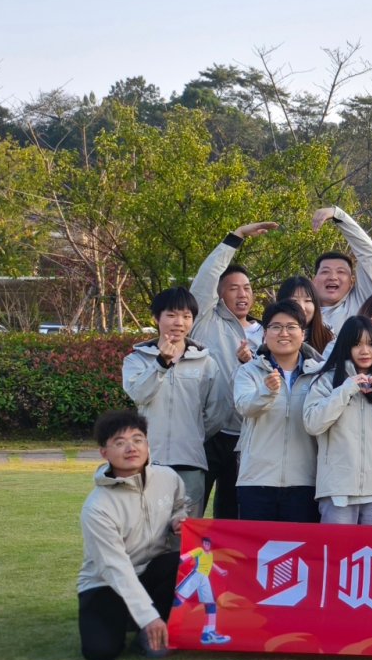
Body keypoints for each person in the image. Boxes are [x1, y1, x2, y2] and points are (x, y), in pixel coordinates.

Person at [77, 410, 186, 660]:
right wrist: (149, 618)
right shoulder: (97, 507)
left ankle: (147, 630)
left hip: (152, 570)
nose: (131, 448)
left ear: (147, 444)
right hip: (107, 582)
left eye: (138, 439)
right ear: (104, 452)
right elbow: (115, 567)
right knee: (100, 652)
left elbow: (181, 505)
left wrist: (176, 520)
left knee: (181, 562)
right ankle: (136, 617)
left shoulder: (168, 478)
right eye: (120, 442)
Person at [190, 220, 278, 520]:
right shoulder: (205, 320)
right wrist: (236, 237)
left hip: (247, 438)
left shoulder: (267, 331)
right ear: (219, 294)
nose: (242, 294)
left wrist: (249, 364)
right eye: (233, 288)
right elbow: (205, 280)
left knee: (230, 515)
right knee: (189, 511)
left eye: (247, 288)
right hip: (208, 433)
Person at [121, 287, 228, 519]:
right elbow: (139, 394)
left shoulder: (206, 363)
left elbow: (217, 412)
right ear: (156, 318)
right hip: (147, 460)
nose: (179, 322)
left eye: (186, 316)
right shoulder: (137, 360)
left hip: (190, 462)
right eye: (171, 315)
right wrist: (161, 364)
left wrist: (193, 434)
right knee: (146, 530)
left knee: (186, 533)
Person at [302, 316, 372, 525]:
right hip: (338, 488)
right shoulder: (326, 379)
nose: (365, 351)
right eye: (357, 344)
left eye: (371, 344)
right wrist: (346, 389)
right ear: (345, 346)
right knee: (336, 547)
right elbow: (313, 424)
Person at [234, 301, 323, 524]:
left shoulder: (319, 375)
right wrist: (266, 392)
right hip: (257, 480)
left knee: (301, 545)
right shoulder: (249, 371)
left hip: (306, 481)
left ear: (303, 334)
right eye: (276, 327)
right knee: (256, 545)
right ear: (265, 334)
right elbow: (244, 406)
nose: (283, 333)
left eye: (291, 327)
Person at [309, 206, 372, 333]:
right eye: (325, 271)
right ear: (313, 281)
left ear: (352, 282)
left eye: (341, 272)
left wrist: (337, 215)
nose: (333, 277)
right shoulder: (302, 313)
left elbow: (369, 254)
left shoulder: (361, 302)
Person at [173, 536, 230, 645]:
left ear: (210, 545)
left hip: (205, 579)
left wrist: (220, 570)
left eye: (208, 544)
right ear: (203, 544)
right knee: (178, 602)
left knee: (211, 604)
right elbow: (188, 555)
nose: (206, 545)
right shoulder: (199, 550)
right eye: (204, 543)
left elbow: (211, 563)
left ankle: (208, 634)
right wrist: (177, 561)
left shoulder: (210, 554)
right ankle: (157, 606)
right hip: (196, 576)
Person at [277, 276, 334, 352]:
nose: (301, 307)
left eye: (307, 300)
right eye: (294, 301)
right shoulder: (269, 336)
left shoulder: (329, 339)